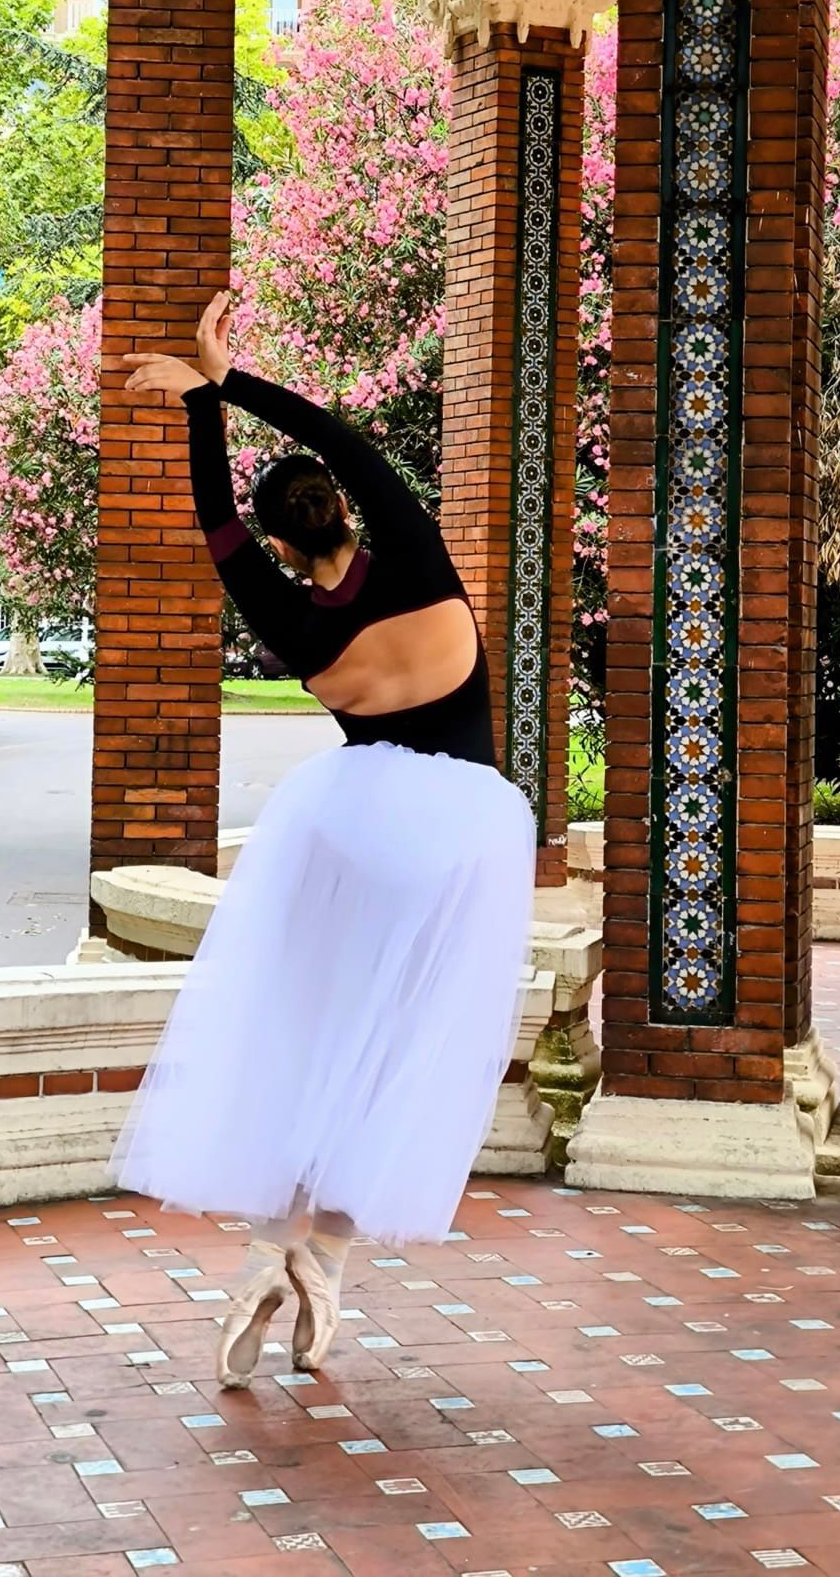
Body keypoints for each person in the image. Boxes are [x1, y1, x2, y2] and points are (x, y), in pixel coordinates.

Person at [112, 293, 535, 1389]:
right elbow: (342, 437)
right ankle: (329, 1268)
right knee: (393, 1051)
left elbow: (218, 529)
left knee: (309, 1033)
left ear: (287, 543)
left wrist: (196, 415)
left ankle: (263, 1257)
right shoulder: (419, 560)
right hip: (458, 842)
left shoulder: (293, 616)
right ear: (343, 510)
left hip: (347, 831)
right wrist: (230, 381)